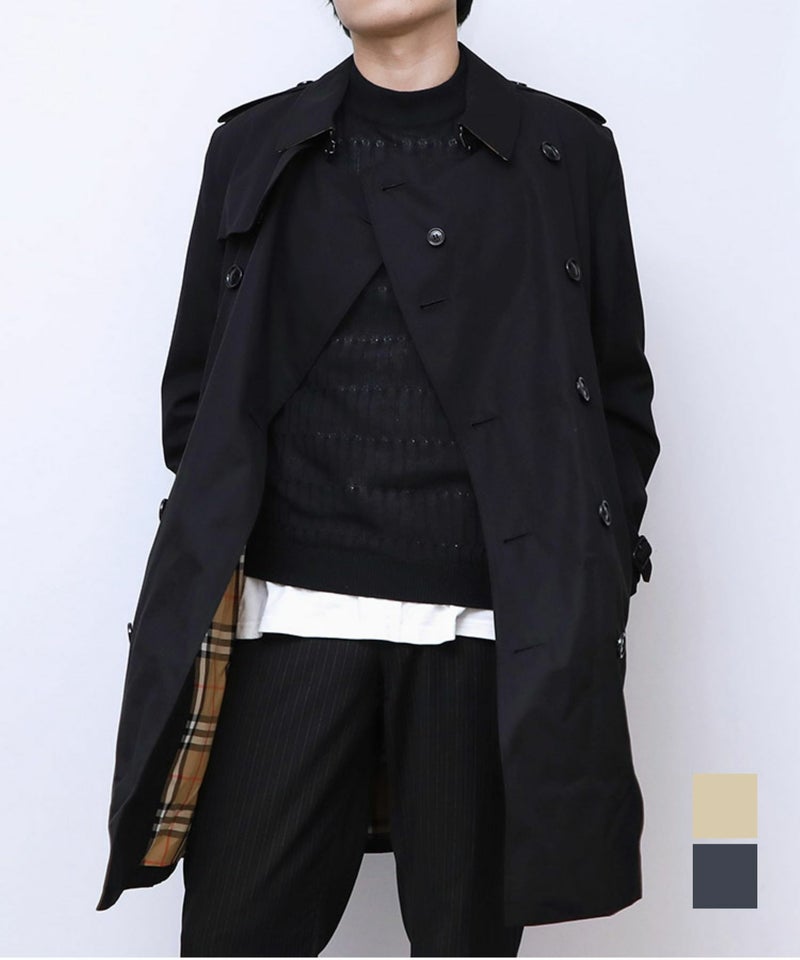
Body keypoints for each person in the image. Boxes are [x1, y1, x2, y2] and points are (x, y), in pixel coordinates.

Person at [98, 0, 660, 955]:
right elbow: (197, 392)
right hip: (291, 623)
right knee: (231, 936)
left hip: (486, 635)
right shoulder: (255, 146)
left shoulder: (564, 151)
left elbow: (614, 399)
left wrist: (578, 574)